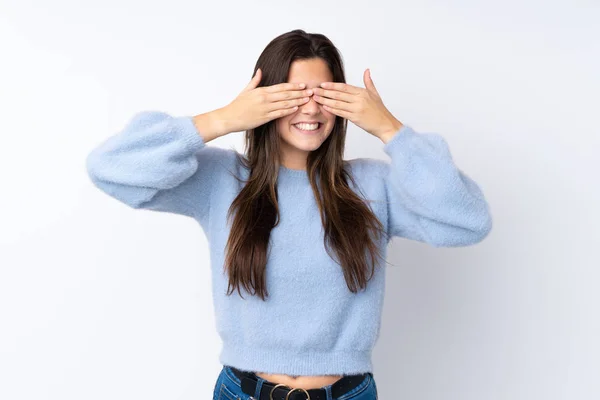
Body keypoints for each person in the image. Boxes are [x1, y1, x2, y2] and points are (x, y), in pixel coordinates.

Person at [86, 29, 492, 400]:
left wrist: (390, 129)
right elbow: (111, 169)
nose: (310, 109)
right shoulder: (223, 180)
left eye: (324, 94)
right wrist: (223, 119)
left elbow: (469, 220)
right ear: (265, 100)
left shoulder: (373, 185)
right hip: (243, 391)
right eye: (294, 94)